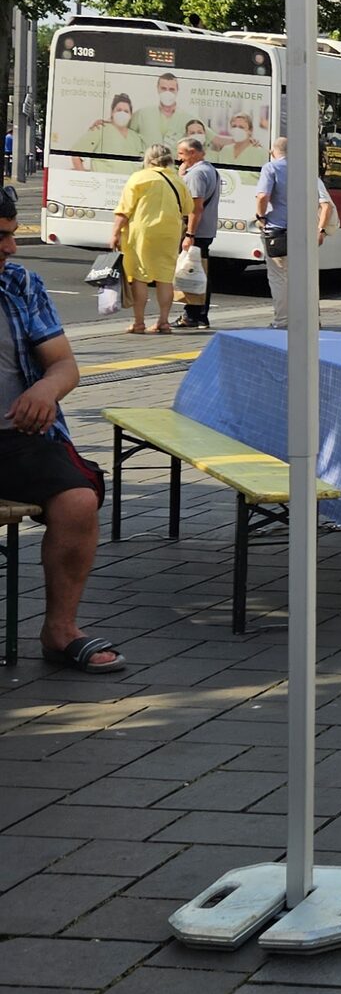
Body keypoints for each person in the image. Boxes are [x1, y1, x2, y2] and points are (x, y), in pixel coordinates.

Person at [0, 187, 122, 672]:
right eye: (1, 238)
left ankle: (60, 630)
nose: (11, 248)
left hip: (16, 437)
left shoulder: (20, 283)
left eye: (10, 236)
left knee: (77, 500)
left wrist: (46, 391)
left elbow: (65, 365)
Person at [253, 138, 335, 328]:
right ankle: (313, 319)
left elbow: (263, 196)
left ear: (273, 151)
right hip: (305, 233)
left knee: (279, 277)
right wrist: (320, 230)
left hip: (278, 233)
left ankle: (282, 321)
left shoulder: (270, 168)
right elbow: (325, 205)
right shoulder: (307, 170)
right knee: (306, 278)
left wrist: (260, 216)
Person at [111, 141, 188, 337]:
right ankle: (163, 321)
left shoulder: (139, 178)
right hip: (169, 233)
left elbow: (124, 210)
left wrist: (115, 233)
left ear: (147, 159)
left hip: (142, 233)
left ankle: (139, 322)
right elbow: (188, 209)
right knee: (165, 279)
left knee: (139, 277)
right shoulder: (178, 180)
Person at [175, 134, 222, 330]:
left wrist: (189, 234)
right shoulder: (211, 169)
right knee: (199, 270)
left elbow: (196, 207)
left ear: (192, 153)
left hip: (196, 231)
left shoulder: (196, 174)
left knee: (192, 271)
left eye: (182, 154)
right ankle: (200, 314)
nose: (179, 158)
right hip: (207, 229)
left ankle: (193, 315)